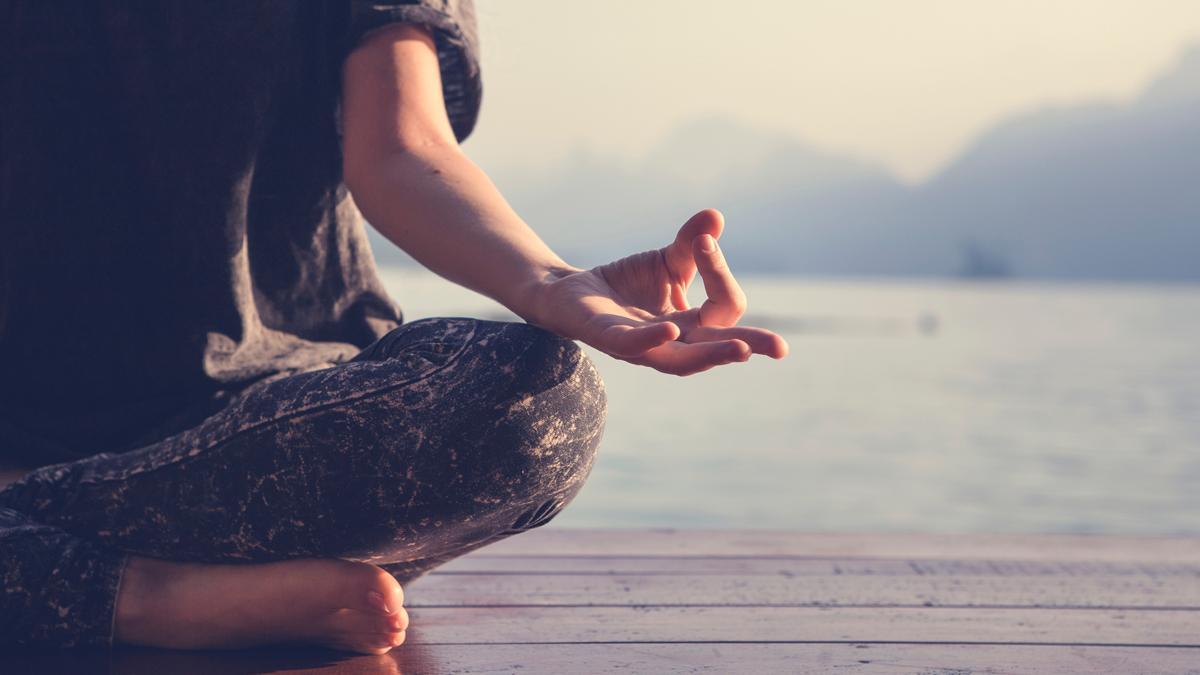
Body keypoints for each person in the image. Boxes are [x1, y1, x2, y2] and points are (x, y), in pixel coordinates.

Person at [0, 0, 787, 653]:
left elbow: (404, 149)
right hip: (28, 437)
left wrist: (549, 282)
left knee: (545, 402)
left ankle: (50, 566)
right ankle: (155, 597)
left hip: (277, 429)